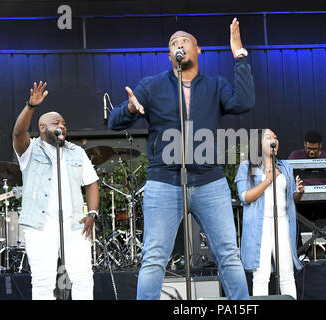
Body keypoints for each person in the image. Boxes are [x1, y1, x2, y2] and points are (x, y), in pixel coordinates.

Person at [108, 18, 254, 300]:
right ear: (169, 55)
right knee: (154, 258)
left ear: (198, 50)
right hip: (164, 182)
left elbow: (245, 103)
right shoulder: (151, 86)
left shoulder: (215, 85)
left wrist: (240, 56)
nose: (179, 44)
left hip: (210, 181)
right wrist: (130, 108)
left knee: (228, 255)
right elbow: (115, 121)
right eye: (173, 43)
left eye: (184, 41)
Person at [13, 81, 99, 300]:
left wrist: (92, 213)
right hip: (39, 226)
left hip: (75, 225)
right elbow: (18, 133)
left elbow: (91, 183)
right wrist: (31, 107)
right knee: (43, 281)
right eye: (55, 122)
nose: (62, 125)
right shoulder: (30, 149)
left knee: (83, 278)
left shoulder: (77, 152)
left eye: (63, 122)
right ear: (42, 128)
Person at [235, 129, 304, 298]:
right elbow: (245, 197)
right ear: (258, 144)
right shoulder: (247, 167)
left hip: (283, 222)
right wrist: (268, 180)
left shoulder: (285, 167)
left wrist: (299, 193)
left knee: (287, 275)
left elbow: (291, 198)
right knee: (261, 276)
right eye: (269, 137)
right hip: (260, 225)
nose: (274, 139)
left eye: (275, 137)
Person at [288, 130, 326, 258]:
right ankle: (300, 252)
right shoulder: (295, 156)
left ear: (320, 146)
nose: (311, 152)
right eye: (308, 148)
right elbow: (288, 179)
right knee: (290, 211)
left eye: (315, 149)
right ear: (304, 144)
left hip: (322, 203)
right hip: (302, 201)